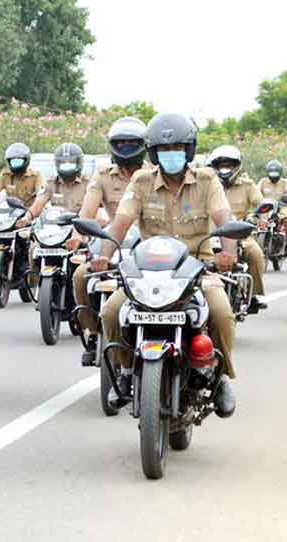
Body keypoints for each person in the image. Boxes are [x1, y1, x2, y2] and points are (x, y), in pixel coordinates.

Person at [90, 112, 237, 417]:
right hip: (149, 271)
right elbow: (120, 223)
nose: (172, 156)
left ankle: (221, 377)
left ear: (190, 151)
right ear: (154, 153)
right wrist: (103, 254)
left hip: (198, 269)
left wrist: (228, 253)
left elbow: (225, 219)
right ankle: (127, 370)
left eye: (179, 149)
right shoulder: (141, 182)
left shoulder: (208, 180)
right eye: (165, 150)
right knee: (111, 311)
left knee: (221, 312)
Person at [69, 116, 149, 364]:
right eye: (120, 143)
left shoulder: (153, 175)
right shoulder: (101, 175)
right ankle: (94, 333)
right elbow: (88, 209)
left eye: (131, 143)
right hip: (111, 243)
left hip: (145, 246)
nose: (126, 147)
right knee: (81, 275)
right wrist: (77, 234)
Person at [207, 145, 266, 313]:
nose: (225, 169)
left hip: (240, 232)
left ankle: (253, 295)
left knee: (255, 254)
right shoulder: (206, 185)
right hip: (210, 234)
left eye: (229, 165)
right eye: (221, 165)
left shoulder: (247, 185)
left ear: (237, 166)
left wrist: (261, 219)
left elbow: (260, 204)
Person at [18, 142, 89, 225]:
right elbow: (38, 204)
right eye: (63, 163)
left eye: (71, 163)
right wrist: (26, 218)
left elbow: (97, 211)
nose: (67, 166)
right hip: (56, 227)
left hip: (80, 227)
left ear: (79, 162)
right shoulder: (51, 183)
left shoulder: (88, 184)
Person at [0, 143, 43, 209]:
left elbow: (40, 196)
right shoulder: (5, 175)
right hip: (11, 213)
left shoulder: (35, 176)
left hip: (29, 212)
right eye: (13, 161)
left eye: (18, 161)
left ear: (26, 160)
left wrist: (34, 210)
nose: (15, 164)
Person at [257, 159, 287, 245]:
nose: (273, 176)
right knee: (253, 219)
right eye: (271, 174)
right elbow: (256, 193)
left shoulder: (285, 182)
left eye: (276, 174)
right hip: (266, 208)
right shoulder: (263, 182)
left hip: (281, 207)